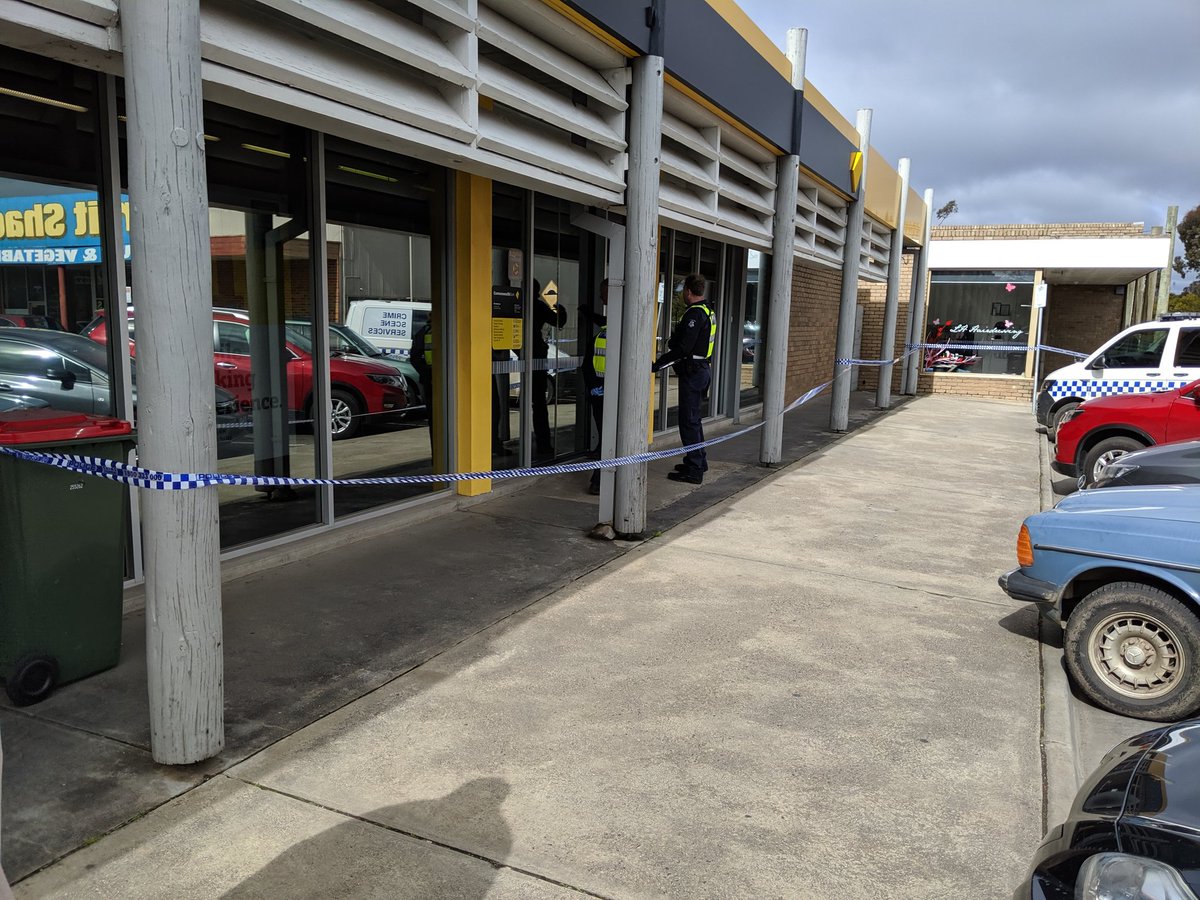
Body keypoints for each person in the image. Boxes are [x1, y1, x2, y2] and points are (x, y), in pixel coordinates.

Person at [651, 273, 715, 484]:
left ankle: (694, 469)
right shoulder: (708, 310)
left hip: (694, 372)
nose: (682, 296)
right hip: (702, 369)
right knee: (694, 420)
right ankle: (697, 460)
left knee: (688, 421)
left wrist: (657, 364)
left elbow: (683, 348)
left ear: (689, 291)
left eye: (683, 292)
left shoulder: (695, 314)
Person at [530, 279, 567, 461]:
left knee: (536, 402)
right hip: (535, 355)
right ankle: (543, 444)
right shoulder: (537, 306)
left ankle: (495, 443)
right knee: (538, 402)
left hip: (523, 354)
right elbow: (558, 321)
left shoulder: (519, 305)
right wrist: (559, 308)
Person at [579, 280, 608, 494]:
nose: (600, 297)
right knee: (605, 434)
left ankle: (598, 481)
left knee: (608, 436)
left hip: (606, 393)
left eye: (602, 292)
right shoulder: (610, 326)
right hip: (600, 391)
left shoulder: (615, 329)